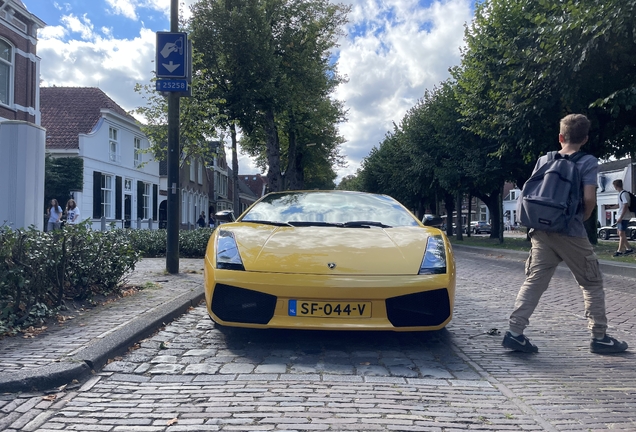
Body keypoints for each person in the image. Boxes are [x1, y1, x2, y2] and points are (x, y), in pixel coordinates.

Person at [502, 114, 628, 354]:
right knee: (591, 282)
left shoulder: (544, 159)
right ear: (586, 139)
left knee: (535, 281)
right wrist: (581, 218)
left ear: (560, 137)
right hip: (569, 230)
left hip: (540, 229)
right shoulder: (588, 161)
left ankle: (515, 332)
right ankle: (599, 336)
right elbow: (589, 198)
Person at [611, 179, 634, 257]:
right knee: (620, 233)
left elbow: (625, 205)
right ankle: (628, 248)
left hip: (624, 217)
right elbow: (620, 205)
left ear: (616, 186)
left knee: (621, 233)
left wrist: (621, 217)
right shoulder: (621, 194)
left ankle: (619, 251)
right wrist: (611, 207)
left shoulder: (624, 194)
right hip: (622, 216)